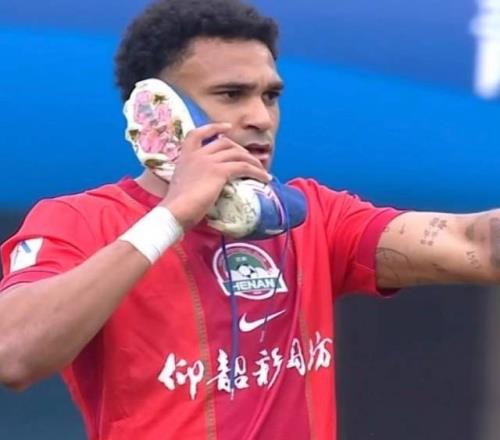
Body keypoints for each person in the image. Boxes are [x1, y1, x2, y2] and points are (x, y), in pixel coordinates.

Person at [0, 0, 498, 439]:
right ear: (157, 110)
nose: (260, 117)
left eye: (270, 96)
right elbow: (13, 354)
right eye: (232, 94)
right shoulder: (80, 220)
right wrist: (174, 215)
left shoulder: (314, 216)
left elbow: (473, 242)